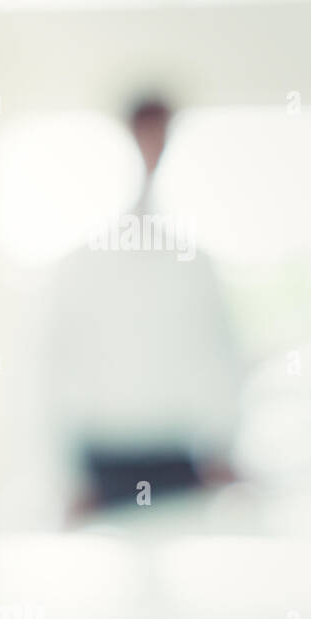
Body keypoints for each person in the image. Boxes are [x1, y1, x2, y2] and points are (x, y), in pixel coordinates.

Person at [43, 96, 243, 513]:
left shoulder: (194, 263)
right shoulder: (84, 262)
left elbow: (223, 354)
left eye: (161, 137)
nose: (153, 149)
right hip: (103, 464)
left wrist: (224, 448)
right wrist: (62, 476)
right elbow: (53, 364)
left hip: (181, 459)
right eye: (145, 136)